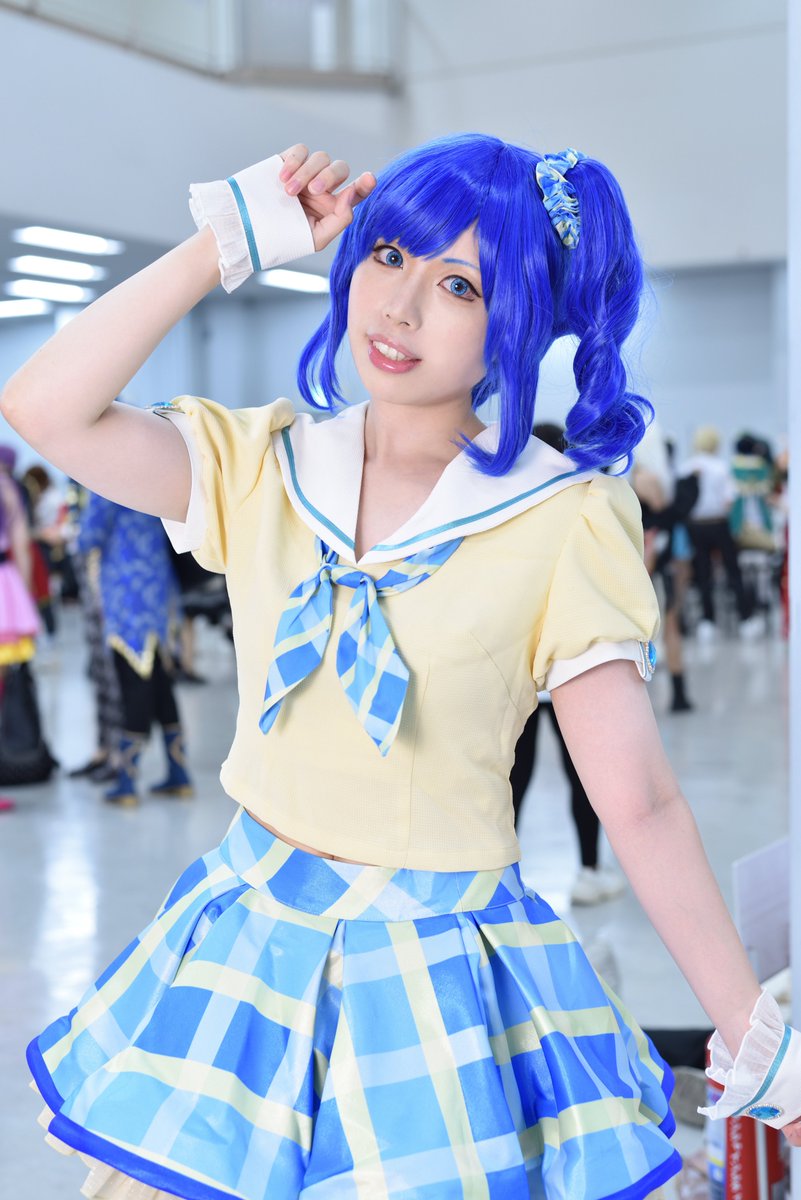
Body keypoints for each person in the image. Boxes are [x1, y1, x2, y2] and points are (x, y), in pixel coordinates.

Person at [3, 135, 800, 1200]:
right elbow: (44, 408)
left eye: (459, 284)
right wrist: (225, 241)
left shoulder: (562, 515)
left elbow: (640, 803)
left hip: (436, 978)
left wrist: (750, 1028)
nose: (401, 307)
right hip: (246, 947)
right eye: (387, 255)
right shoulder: (265, 465)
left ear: (516, 320)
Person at [510, 422, 626, 905]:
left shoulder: (504, 515)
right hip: (571, 670)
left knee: (512, 775)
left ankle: (504, 874)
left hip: (516, 674)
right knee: (584, 774)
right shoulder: (582, 513)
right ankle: (589, 870)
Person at [76, 490, 194, 805]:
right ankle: (179, 773)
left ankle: (127, 781)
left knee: (134, 685)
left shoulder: (106, 480)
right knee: (161, 683)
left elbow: (89, 536)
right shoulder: (151, 472)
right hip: (159, 588)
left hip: (125, 595)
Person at [682, 426, 760, 639]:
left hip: (695, 526)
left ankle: (707, 621)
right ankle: (745, 619)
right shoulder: (721, 467)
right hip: (719, 524)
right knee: (732, 571)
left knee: (703, 573)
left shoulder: (686, 467)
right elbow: (729, 500)